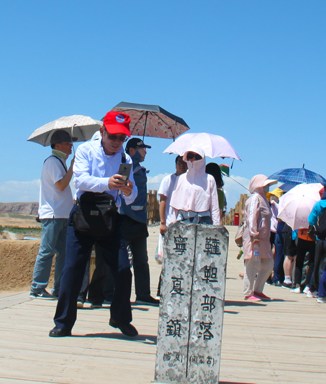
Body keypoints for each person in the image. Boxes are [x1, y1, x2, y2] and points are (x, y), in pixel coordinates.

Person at [51, 111, 138, 338]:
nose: (117, 142)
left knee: (122, 270)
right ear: (102, 132)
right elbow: (80, 180)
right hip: (84, 217)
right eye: (113, 136)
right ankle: (63, 323)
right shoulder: (85, 151)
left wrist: (128, 190)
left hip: (111, 219)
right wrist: (106, 183)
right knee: (72, 269)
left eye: (122, 138)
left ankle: (120, 318)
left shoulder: (125, 159)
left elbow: (132, 195)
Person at [29, 129, 74, 300]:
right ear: (57, 145)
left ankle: (59, 288)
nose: (71, 146)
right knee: (47, 251)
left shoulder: (59, 162)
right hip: (53, 214)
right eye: (68, 143)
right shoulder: (53, 162)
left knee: (63, 253)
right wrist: (72, 168)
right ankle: (37, 288)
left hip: (62, 215)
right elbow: (61, 185)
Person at [121, 138, 158, 305]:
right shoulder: (125, 167)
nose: (145, 152)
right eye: (141, 148)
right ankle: (114, 293)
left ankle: (143, 294)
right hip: (125, 219)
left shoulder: (141, 169)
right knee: (121, 260)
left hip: (140, 220)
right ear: (131, 150)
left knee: (141, 260)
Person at [242, 175, 278, 301]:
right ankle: (248, 291)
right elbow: (252, 217)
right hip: (255, 238)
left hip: (264, 239)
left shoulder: (264, 199)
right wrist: (254, 233)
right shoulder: (255, 198)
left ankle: (258, 290)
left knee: (268, 264)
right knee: (252, 264)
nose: (267, 187)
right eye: (265, 185)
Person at [167, 148, 221, 225]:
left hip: (204, 220)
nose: (194, 159)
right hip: (183, 220)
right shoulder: (181, 178)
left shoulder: (209, 179)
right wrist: (171, 224)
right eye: (191, 155)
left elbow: (214, 207)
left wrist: (216, 227)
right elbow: (174, 205)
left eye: (198, 157)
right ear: (186, 157)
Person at [307, 182, 326, 303]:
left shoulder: (319, 204)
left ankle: (315, 289)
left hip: (319, 238)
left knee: (317, 263)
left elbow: (311, 220)